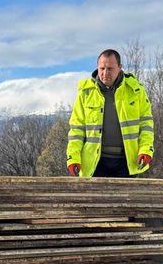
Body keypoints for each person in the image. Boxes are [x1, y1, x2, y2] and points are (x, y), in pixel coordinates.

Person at [66, 49, 154, 178]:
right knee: (95, 199)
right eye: (102, 68)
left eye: (110, 69)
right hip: (95, 163)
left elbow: (146, 125)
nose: (105, 73)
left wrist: (146, 150)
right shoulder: (85, 93)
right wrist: (73, 157)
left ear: (120, 68)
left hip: (127, 162)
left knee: (125, 198)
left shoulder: (136, 91)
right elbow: (76, 130)